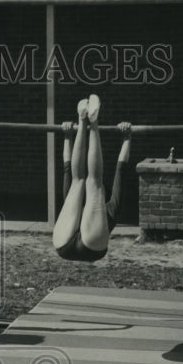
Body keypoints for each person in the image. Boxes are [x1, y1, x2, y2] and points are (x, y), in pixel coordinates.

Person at [52, 94, 133, 262]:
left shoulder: (105, 207)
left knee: (83, 181)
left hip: (69, 240)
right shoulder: (110, 209)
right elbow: (121, 170)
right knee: (87, 182)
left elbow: (68, 168)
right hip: (72, 246)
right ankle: (88, 119)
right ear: (105, 193)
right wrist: (126, 138)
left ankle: (86, 120)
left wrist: (67, 137)